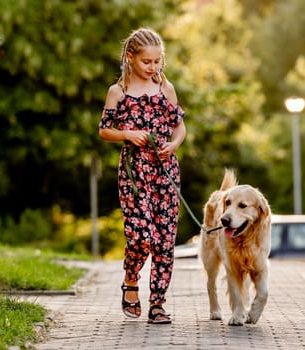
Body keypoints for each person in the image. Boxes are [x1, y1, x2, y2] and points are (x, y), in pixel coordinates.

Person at [98, 28, 186, 324]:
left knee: (164, 240)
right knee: (141, 236)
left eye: (158, 61)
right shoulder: (118, 92)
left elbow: (179, 126)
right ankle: (130, 278)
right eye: (147, 61)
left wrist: (174, 145)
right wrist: (128, 133)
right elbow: (104, 130)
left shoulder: (166, 89)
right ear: (130, 57)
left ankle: (158, 304)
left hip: (165, 171)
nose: (154, 67)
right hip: (134, 172)